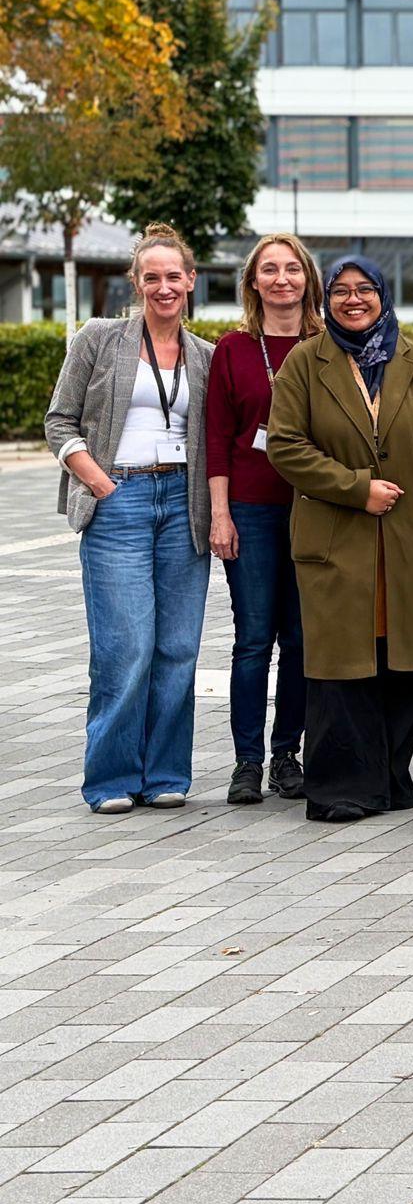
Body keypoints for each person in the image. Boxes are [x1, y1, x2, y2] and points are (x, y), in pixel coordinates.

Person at [267, 257, 413, 823]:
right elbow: (285, 445)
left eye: (365, 290)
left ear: (383, 294)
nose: (353, 300)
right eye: (341, 291)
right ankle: (341, 790)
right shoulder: (306, 361)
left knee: (406, 662)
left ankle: (392, 780)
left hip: (409, 540)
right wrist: (356, 488)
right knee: (341, 666)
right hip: (336, 536)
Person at [46, 225, 215, 815]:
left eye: (174, 277)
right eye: (153, 278)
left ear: (190, 281)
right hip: (119, 499)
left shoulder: (206, 356)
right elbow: (59, 421)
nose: (164, 287)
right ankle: (111, 778)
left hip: (183, 505)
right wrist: (96, 480)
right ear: (137, 283)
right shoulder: (98, 339)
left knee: (177, 647)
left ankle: (166, 772)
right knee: (126, 646)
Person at [205, 232, 320, 805]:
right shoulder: (233, 348)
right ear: (253, 281)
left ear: (307, 278)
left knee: (300, 639)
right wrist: (220, 515)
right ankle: (246, 761)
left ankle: (287, 755)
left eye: (292, 269)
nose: (282, 279)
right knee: (253, 639)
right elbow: (218, 438)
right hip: (250, 510)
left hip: (314, 511)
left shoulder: (329, 344)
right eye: (269, 270)